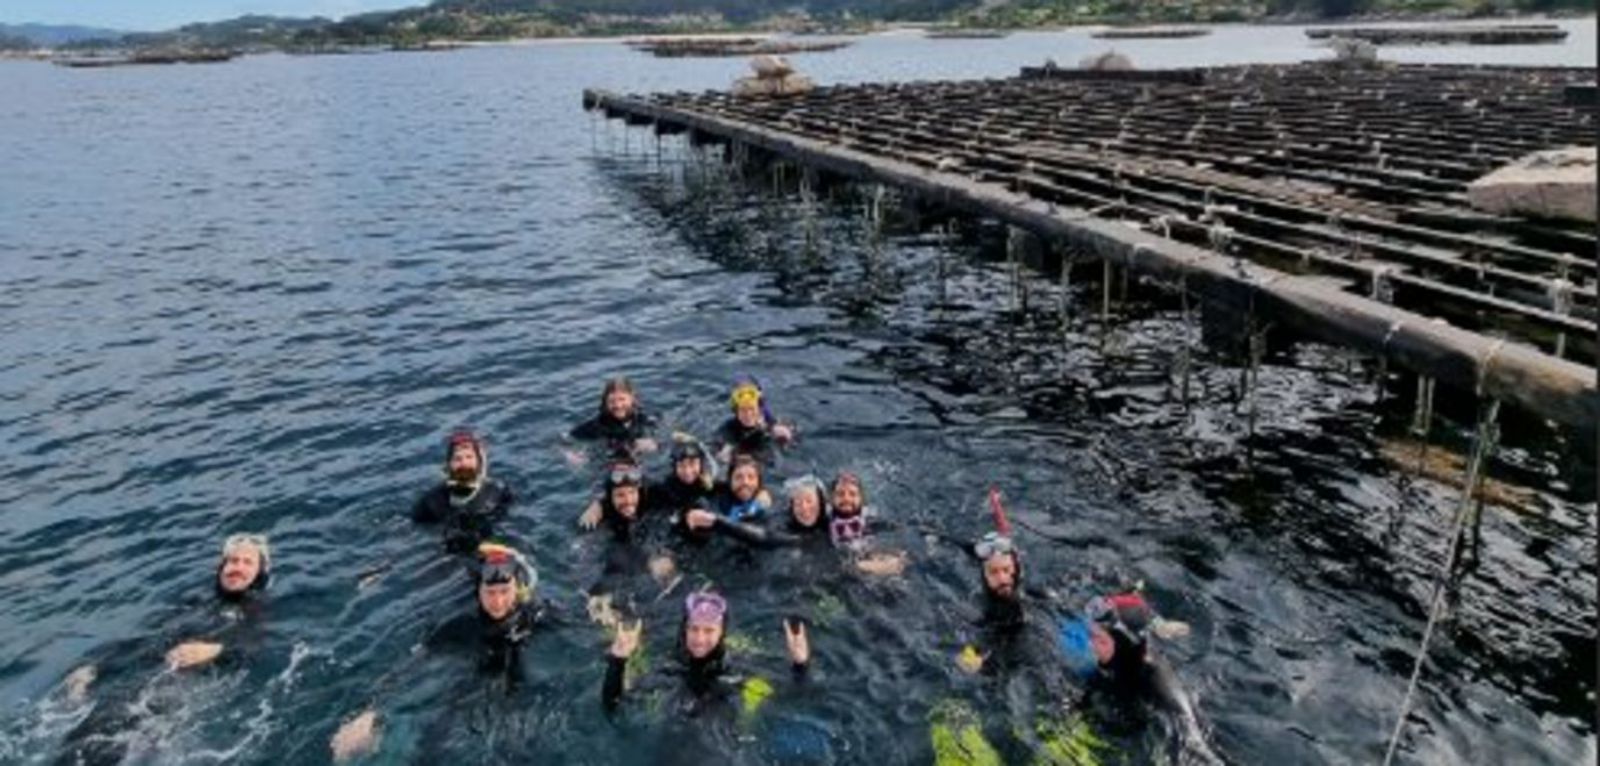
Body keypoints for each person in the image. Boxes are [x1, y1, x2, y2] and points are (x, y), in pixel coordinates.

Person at [54, 535, 275, 765]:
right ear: (220, 568)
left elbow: (254, 646)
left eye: (247, 562)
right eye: (233, 561)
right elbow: (143, 639)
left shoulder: (256, 609)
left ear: (260, 573)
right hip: (140, 681)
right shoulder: (194, 601)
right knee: (80, 743)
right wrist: (94, 665)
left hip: (177, 694)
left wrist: (218, 650)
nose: (237, 567)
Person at [330, 543, 547, 762]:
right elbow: (412, 664)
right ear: (478, 591)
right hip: (467, 687)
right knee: (433, 747)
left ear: (517, 589)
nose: (498, 602)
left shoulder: (535, 615)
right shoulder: (460, 626)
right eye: (490, 593)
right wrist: (372, 711)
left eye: (504, 592)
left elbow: (575, 626)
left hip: (515, 684)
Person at [602, 591, 809, 717]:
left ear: (722, 633)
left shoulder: (738, 666)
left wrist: (800, 665)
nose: (700, 639)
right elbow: (614, 707)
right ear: (685, 629)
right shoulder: (670, 667)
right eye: (694, 629)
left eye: (709, 630)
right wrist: (617, 661)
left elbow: (793, 698)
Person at [412, 430, 515, 554]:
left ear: (479, 462)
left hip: (490, 550)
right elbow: (414, 531)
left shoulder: (498, 493)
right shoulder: (431, 501)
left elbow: (511, 527)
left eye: (469, 457)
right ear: (448, 465)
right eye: (457, 459)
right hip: (448, 556)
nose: (464, 463)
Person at [568, 377, 659, 461]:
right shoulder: (597, 426)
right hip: (608, 463)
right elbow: (566, 439)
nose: (618, 406)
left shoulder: (644, 420)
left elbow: (663, 435)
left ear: (632, 399)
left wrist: (655, 443)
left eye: (622, 399)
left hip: (638, 462)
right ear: (605, 403)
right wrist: (571, 454)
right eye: (612, 401)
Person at [713, 377, 794, 464]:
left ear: (760, 409)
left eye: (752, 409)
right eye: (743, 410)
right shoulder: (728, 429)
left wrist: (786, 439)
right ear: (736, 412)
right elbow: (716, 445)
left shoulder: (774, 425)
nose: (748, 414)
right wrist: (722, 452)